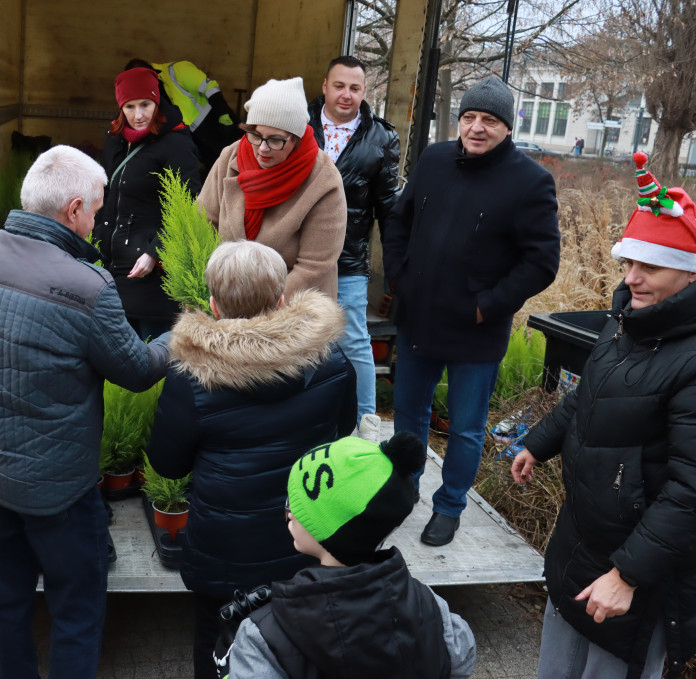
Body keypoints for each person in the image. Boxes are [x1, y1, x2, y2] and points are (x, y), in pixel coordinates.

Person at [0, 145, 171, 679]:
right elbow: (135, 371)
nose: (100, 218)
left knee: (9, 603)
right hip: (61, 492)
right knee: (76, 612)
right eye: (98, 208)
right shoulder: (89, 287)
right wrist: (182, 337)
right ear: (73, 209)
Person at [511, 153, 696, 679]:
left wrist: (628, 575)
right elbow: (586, 395)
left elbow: (690, 489)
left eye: (650, 267)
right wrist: (538, 443)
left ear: (689, 273)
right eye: (627, 264)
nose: (631, 279)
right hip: (583, 541)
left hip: (634, 572)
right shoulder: (626, 321)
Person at [146, 240, 357, 679]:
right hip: (305, 536)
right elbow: (340, 435)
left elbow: (167, 465)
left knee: (216, 644)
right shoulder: (332, 359)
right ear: (282, 299)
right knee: (299, 642)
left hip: (225, 551)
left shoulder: (192, 379)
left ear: (213, 304)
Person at [382, 74, 560, 547]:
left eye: (490, 119)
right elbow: (399, 219)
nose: (476, 128)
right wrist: (401, 275)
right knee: (408, 416)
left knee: (464, 428)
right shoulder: (436, 158)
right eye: (469, 117)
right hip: (419, 315)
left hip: (476, 330)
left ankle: (450, 506)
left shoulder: (530, 181)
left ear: (507, 126)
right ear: (459, 120)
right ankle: (403, 492)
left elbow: (542, 262)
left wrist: (487, 306)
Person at [224, 434, 476, 679]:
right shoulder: (428, 602)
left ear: (332, 531)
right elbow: (461, 659)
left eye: (296, 506)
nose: (289, 514)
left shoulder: (263, 635)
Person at [308, 55, 401, 424]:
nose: (346, 95)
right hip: (295, 256)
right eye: (340, 86)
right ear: (325, 87)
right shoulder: (298, 125)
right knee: (296, 338)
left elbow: (388, 207)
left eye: (355, 88)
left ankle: (366, 422)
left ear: (364, 92)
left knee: (353, 340)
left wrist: (396, 267)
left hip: (348, 260)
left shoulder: (382, 137)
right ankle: (302, 419)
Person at [198, 76, 347, 299]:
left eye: (276, 140)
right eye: (256, 135)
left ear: (295, 138)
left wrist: (257, 305)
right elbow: (203, 224)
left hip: (292, 305)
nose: (262, 149)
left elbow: (314, 265)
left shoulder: (324, 179)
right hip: (227, 299)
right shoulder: (230, 156)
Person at [93, 66, 201, 340]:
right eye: (129, 106)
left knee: (151, 355)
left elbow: (187, 209)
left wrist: (155, 253)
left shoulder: (176, 144)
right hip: (112, 269)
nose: (138, 115)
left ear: (158, 101)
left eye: (145, 104)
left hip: (151, 276)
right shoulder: (116, 140)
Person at [134, 59, 241, 173]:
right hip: (194, 136)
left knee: (236, 160)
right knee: (215, 169)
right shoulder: (150, 90)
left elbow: (210, 87)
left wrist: (222, 112)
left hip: (217, 123)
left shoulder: (178, 69)